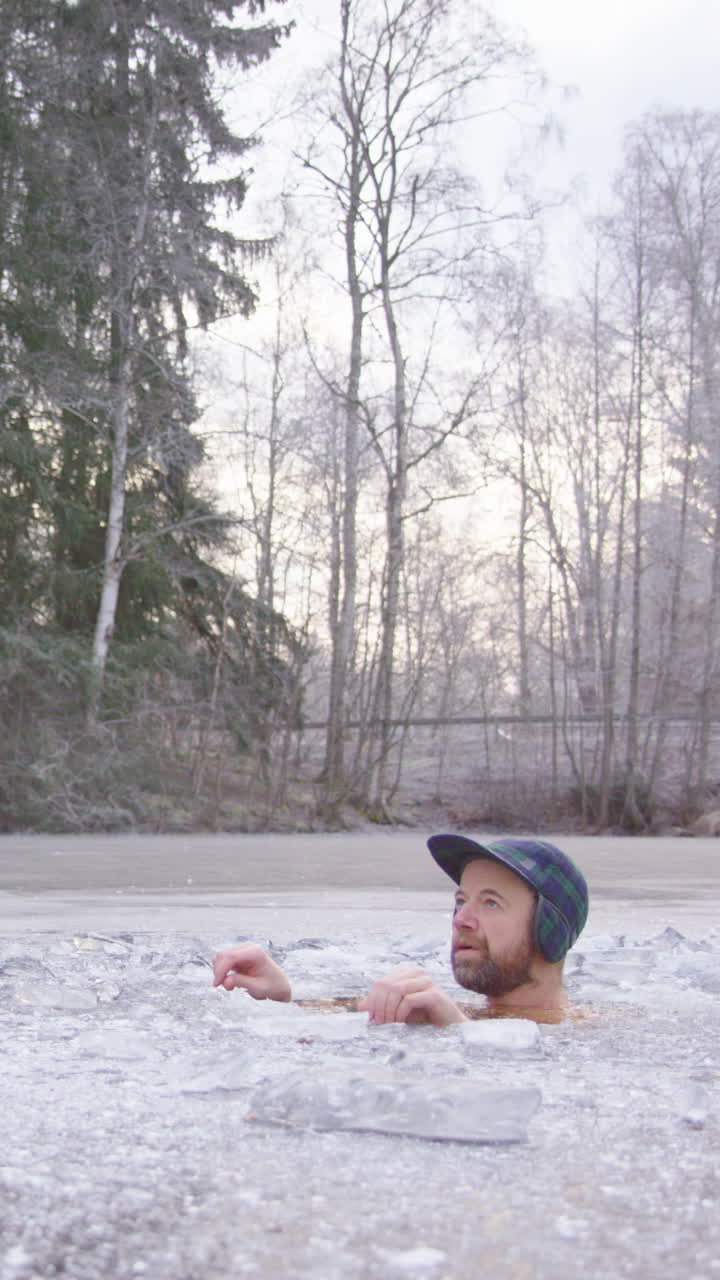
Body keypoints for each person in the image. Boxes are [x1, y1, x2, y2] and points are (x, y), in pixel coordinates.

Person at [211, 833, 589, 1025]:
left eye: (490, 902)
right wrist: (282, 1001)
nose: (461, 920)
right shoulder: (469, 1012)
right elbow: (350, 1012)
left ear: (549, 931)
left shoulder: (588, 1039)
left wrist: (459, 1034)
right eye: (461, 901)